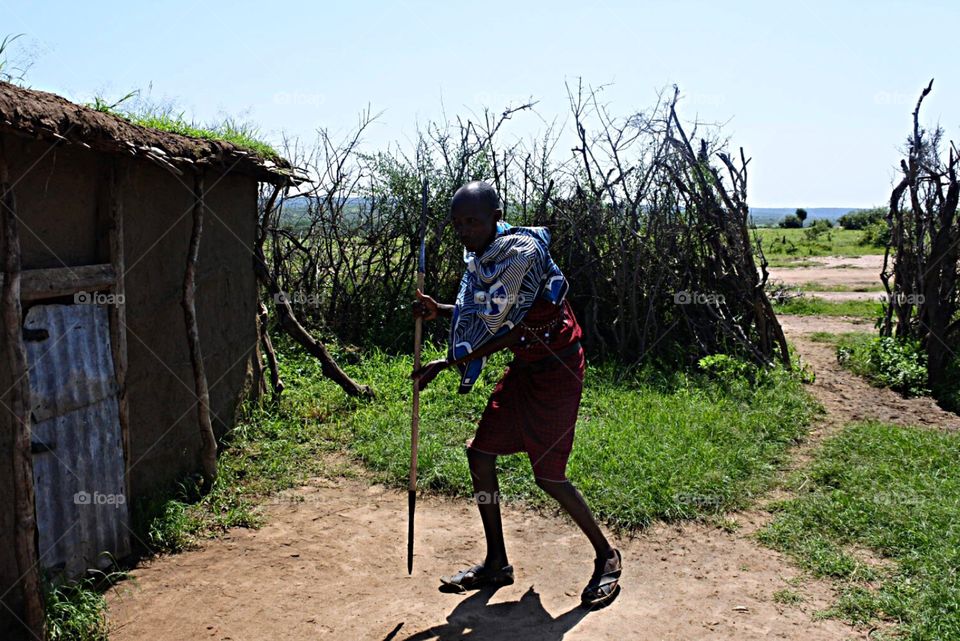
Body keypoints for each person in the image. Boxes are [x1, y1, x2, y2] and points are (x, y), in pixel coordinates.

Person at [411, 180, 622, 608]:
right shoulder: (487, 254)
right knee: (480, 455)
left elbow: (507, 330)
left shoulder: (518, 255)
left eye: (472, 220)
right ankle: (497, 563)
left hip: (557, 372)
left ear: (495, 216)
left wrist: (445, 363)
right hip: (526, 367)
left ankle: (607, 555)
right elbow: (489, 310)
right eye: (458, 223)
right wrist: (442, 311)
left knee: (548, 477)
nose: (464, 230)